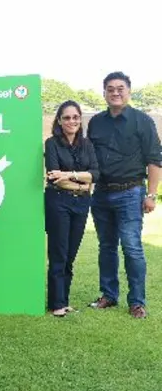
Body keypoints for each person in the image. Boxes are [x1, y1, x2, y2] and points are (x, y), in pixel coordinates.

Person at [86, 71, 161, 318]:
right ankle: (109, 295)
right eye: (110, 89)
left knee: (132, 247)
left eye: (120, 88)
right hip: (101, 194)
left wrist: (151, 195)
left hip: (130, 193)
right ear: (104, 93)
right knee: (106, 247)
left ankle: (137, 302)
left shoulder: (143, 121)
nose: (115, 93)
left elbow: (154, 159)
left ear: (128, 91)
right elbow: (89, 158)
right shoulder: (96, 122)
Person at [44, 100, 99, 317]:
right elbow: (53, 177)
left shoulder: (87, 144)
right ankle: (56, 304)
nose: (71, 121)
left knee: (70, 254)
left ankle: (63, 300)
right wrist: (82, 183)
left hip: (81, 204)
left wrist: (68, 175)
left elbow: (95, 174)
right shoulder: (52, 143)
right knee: (59, 253)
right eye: (66, 117)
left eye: (75, 117)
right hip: (58, 202)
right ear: (59, 121)